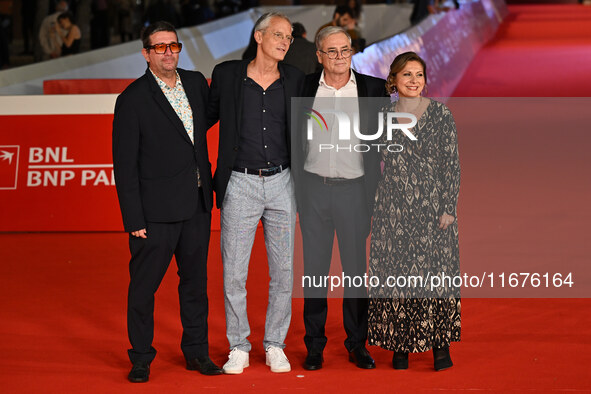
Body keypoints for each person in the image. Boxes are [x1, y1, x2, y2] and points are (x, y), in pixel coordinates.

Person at [112, 20, 222, 383]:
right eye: (159, 47)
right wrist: (134, 219)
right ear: (146, 53)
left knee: (195, 286)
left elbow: (196, 133)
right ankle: (141, 357)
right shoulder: (132, 99)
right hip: (154, 214)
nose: (168, 52)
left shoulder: (195, 83)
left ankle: (197, 353)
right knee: (143, 289)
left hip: (196, 206)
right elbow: (124, 165)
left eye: (173, 45)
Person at [207, 11, 304, 375]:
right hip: (240, 184)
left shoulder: (294, 78)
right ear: (259, 36)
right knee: (234, 272)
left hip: (282, 183)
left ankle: (275, 344)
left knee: (282, 272)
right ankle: (238, 345)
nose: (285, 41)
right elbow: (202, 118)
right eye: (279, 34)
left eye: (290, 37)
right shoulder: (228, 75)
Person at [296, 26, 387, 371]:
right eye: (331, 51)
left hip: (354, 192)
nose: (339, 57)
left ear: (353, 52)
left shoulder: (372, 89)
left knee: (355, 273)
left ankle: (356, 343)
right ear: (318, 55)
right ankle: (314, 345)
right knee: (315, 273)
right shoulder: (303, 87)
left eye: (345, 50)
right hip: (314, 191)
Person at [367, 51, 461, 371]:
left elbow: (451, 165)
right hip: (393, 207)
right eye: (407, 75)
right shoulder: (382, 116)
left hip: (432, 207)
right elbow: (370, 160)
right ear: (393, 80)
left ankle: (440, 346)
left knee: (435, 277)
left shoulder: (440, 115)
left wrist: (448, 207)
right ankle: (400, 346)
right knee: (397, 278)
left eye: (419, 75)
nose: (414, 81)